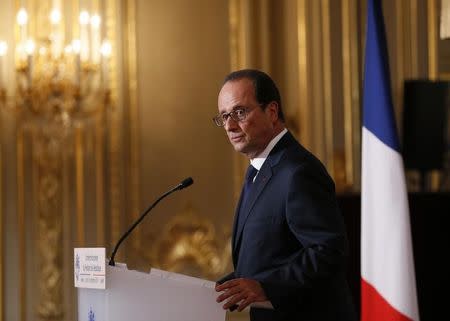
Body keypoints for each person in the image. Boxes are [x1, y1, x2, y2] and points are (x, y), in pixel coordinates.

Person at [213, 69, 356, 321]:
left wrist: (265, 286)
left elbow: (328, 251)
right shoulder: (260, 168)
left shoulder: (298, 171)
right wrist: (230, 287)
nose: (229, 125)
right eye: (224, 117)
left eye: (239, 113)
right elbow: (273, 254)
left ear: (272, 111)